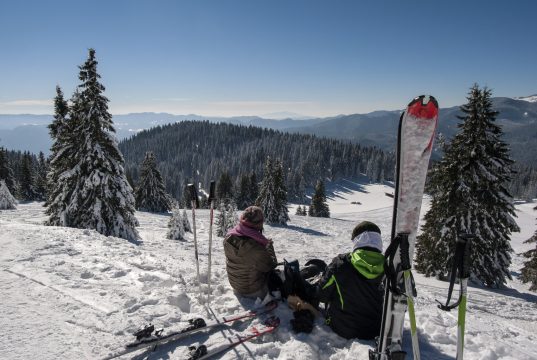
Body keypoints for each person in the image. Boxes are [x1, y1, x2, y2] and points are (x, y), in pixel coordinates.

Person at [316, 221, 385, 339]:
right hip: (378, 331)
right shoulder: (391, 268)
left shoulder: (340, 264)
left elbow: (321, 295)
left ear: (357, 240)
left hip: (343, 329)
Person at [223, 206, 278, 299]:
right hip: (251, 290)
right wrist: (269, 247)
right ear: (258, 224)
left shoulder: (229, 236)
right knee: (279, 275)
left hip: (235, 283)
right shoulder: (254, 247)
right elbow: (270, 265)